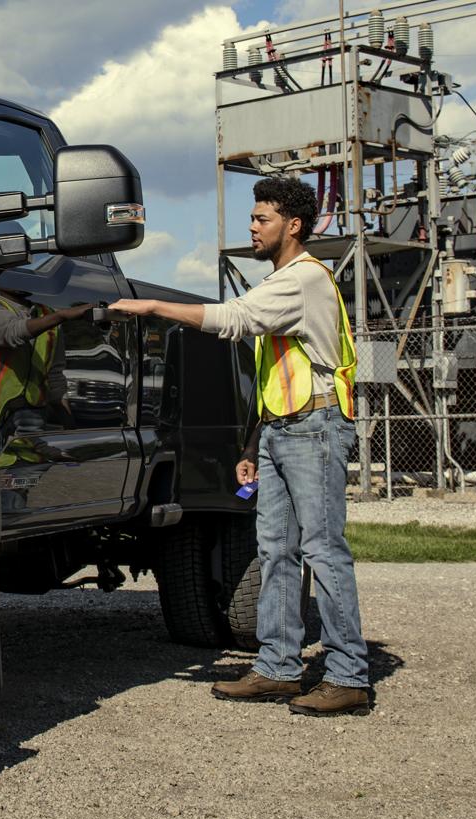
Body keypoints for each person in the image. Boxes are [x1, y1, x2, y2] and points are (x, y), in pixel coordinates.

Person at [106, 176, 370, 716]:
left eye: (262, 219)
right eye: (252, 217)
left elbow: (235, 319)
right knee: (275, 551)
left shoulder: (302, 280)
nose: (252, 227)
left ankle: (349, 676)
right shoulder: (283, 283)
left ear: (293, 226)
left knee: (322, 551)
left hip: (314, 429)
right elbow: (274, 374)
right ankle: (278, 669)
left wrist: (152, 305)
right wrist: (254, 443)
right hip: (282, 429)